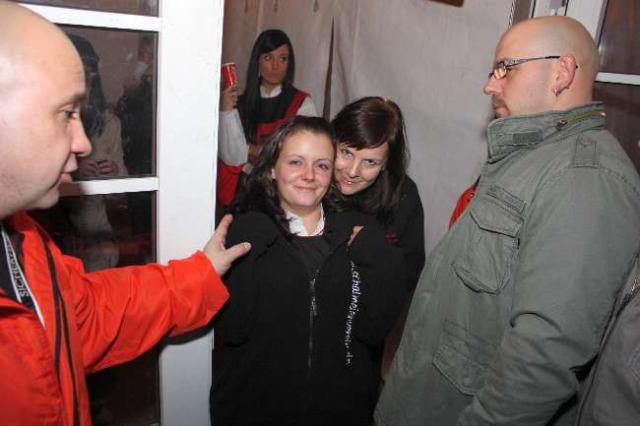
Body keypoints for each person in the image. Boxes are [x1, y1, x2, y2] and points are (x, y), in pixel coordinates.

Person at [375, 16, 640, 425]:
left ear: (562, 72)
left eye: (505, 68)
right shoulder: (533, 158)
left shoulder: (585, 179)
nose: (490, 85)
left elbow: (544, 356)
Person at [0, 3, 250, 425]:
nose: (82, 141)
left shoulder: (22, 243)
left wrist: (200, 274)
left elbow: (88, 316)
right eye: (65, 113)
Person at [210, 116, 406, 424]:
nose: (309, 175)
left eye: (322, 165)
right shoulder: (246, 234)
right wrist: (248, 249)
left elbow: (373, 329)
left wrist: (382, 260)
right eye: (295, 162)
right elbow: (234, 330)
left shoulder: (358, 235)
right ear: (272, 169)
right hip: (256, 410)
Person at [330, 96, 425, 374]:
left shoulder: (403, 197)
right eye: (346, 152)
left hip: (361, 347)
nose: (352, 171)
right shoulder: (310, 184)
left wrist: (376, 253)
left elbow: (409, 270)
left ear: (386, 164)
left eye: (369, 161)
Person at [217, 29, 318, 208]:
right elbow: (232, 157)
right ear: (257, 61)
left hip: (285, 194)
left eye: (283, 59)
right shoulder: (239, 104)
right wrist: (226, 111)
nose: (275, 66)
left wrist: (251, 150)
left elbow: (305, 153)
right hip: (245, 194)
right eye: (268, 57)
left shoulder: (301, 102)